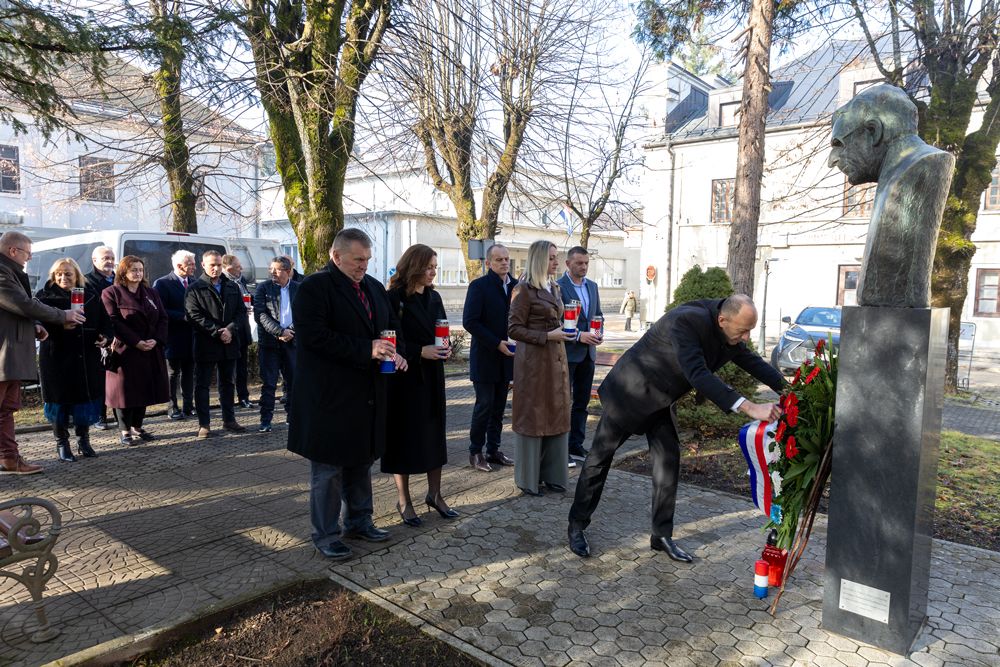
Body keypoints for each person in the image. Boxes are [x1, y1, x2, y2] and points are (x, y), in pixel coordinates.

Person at [567, 294, 786, 561]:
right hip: (631, 393)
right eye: (743, 331)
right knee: (599, 460)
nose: (746, 338)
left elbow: (752, 361)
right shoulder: (687, 321)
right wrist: (750, 407)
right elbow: (698, 374)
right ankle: (576, 526)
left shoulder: (729, 327)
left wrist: (791, 391)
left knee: (668, 463)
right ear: (722, 320)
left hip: (661, 399)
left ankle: (661, 536)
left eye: (749, 331)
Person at [287, 228, 408, 560]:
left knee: (361, 461)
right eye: (357, 260)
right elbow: (314, 337)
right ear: (336, 256)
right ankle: (326, 534)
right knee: (328, 470)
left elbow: (391, 326)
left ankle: (359, 521)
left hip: (366, 395)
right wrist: (367, 348)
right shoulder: (314, 288)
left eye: (367, 259)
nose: (363, 266)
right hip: (329, 397)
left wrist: (396, 350)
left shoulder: (373, 287)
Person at [828, 84, 955, 308]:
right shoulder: (893, 176)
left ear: (873, 131)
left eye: (839, 144)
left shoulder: (920, 166)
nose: (832, 160)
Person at [0, 231, 86, 474]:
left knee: (6, 409)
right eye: (28, 253)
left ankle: (9, 458)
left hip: (11, 354)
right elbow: (22, 303)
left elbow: (18, 308)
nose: (30, 257)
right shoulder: (2, 272)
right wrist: (62, 315)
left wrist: (35, 325)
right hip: (4, 354)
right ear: (13, 251)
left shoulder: (11, 271)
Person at [384, 244, 457, 527]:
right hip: (404, 378)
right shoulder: (394, 298)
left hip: (432, 376)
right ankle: (404, 500)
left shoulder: (434, 296)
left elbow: (442, 329)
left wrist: (445, 348)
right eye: (428, 267)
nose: (433, 272)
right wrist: (418, 352)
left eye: (435, 267)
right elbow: (390, 337)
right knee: (402, 438)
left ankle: (435, 495)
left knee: (434, 434)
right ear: (414, 266)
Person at [508, 240, 574, 497]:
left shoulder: (555, 287)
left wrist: (572, 332)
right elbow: (513, 329)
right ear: (539, 259)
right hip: (533, 363)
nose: (556, 262)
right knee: (533, 416)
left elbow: (557, 323)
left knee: (557, 413)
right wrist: (546, 336)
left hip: (556, 360)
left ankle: (553, 475)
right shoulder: (523, 290)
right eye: (552, 258)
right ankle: (528, 479)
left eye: (556, 257)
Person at [36, 258, 111, 461]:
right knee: (59, 402)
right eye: (59, 274)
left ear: (77, 275)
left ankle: (83, 440)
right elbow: (37, 325)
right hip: (57, 358)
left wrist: (105, 337)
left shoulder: (91, 295)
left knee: (83, 400)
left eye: (68, 274)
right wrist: (60, 325)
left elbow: (105, 322)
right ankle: (62, 443)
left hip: (85, 358)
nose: (63, 278)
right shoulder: (44, 296)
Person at [102, 256, 170, 445]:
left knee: (144, 389)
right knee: (124, 393)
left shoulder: (151, 293)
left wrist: (157, 340)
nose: (138, 273)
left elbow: (163, 318)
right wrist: (136, 341)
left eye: (140, 270)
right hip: (125, 351)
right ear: (123, 272)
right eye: (134, 270)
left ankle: (137, 427)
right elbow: (113, 321)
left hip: (150, 349)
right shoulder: (111, 293)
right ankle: (125, 431)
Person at [462, 243, 517, 472]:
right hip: (485, 357)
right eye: (498, 260)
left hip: (508, 357)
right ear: (488, 263)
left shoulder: (516, 286)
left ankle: (493, 450)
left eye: (506, 259)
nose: (504, 263)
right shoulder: (479, 286)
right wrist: (496, 343)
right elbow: (470, 321)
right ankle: (475, 452)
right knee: (484, 406)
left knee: (499, 408)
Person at [185, 250, 247, 439]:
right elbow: (193, 315)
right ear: (203, 265)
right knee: (202, 384)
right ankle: (204, 424)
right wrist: (217, 331)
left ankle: (229, 420)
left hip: (229, 343)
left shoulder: (232, 286)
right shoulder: (195, 288)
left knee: (228, 383)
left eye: (219, 265)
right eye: (212, 265)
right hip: (206, 343)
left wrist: (230, 330)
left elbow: (241, 312)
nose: (216, 268)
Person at [556, 246, 603, 464]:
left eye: (586, 263)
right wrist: (578, 336)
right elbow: (556, 321)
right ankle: (561, 449)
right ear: (568, 264)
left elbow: (597, 315)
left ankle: (576, 444)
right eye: (579, 263)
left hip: (588, 355)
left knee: (582, 403)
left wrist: (598, 333)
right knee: (563, 403)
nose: (583, 267)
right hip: (567, 353)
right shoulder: (558, 287)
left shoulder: (592, 286)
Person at [253, 256, 298, 432]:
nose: (272, 272)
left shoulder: (298, 288)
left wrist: (290, 332)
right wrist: (280, 332)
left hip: (292, 343)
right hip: (270, 344)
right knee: (269, 383)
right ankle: (265, 420)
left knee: (293, 382)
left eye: (277, 269)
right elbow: (260, 315)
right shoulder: (263, 288)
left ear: (288, 271)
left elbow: (304, 313)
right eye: (270, 269)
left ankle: (292, 417)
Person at [153, 250, 196, 420]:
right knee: (172, 374)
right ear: (179, 265)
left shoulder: (194, 282)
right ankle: (172, 407)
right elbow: (159, 309)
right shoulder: (162, 283)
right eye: (190, 264)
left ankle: (188, 406)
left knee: (189, 372)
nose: (194, 267)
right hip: (172, 337)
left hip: (191, 336)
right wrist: (182, 316)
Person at [85, 245, 117, 430]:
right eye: (105, 258)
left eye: (111, 257)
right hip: (99, 337)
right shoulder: (86, 282)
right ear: (94, 260)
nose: (110, 261)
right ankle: (100, 415)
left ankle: (122, 417)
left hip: (120, 334)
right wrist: (102, 336)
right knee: (100, 379)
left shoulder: (119, 280)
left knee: (119, 378)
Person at [222, 254, 254, 408]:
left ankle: (243, 397)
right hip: (230, 330)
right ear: (228, 268)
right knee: (229, 369)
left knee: (242, 367)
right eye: (237, 266)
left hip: (243, 328)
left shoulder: (241, 281)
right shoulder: (223, 283)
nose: (241, 268)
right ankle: (227, 400)